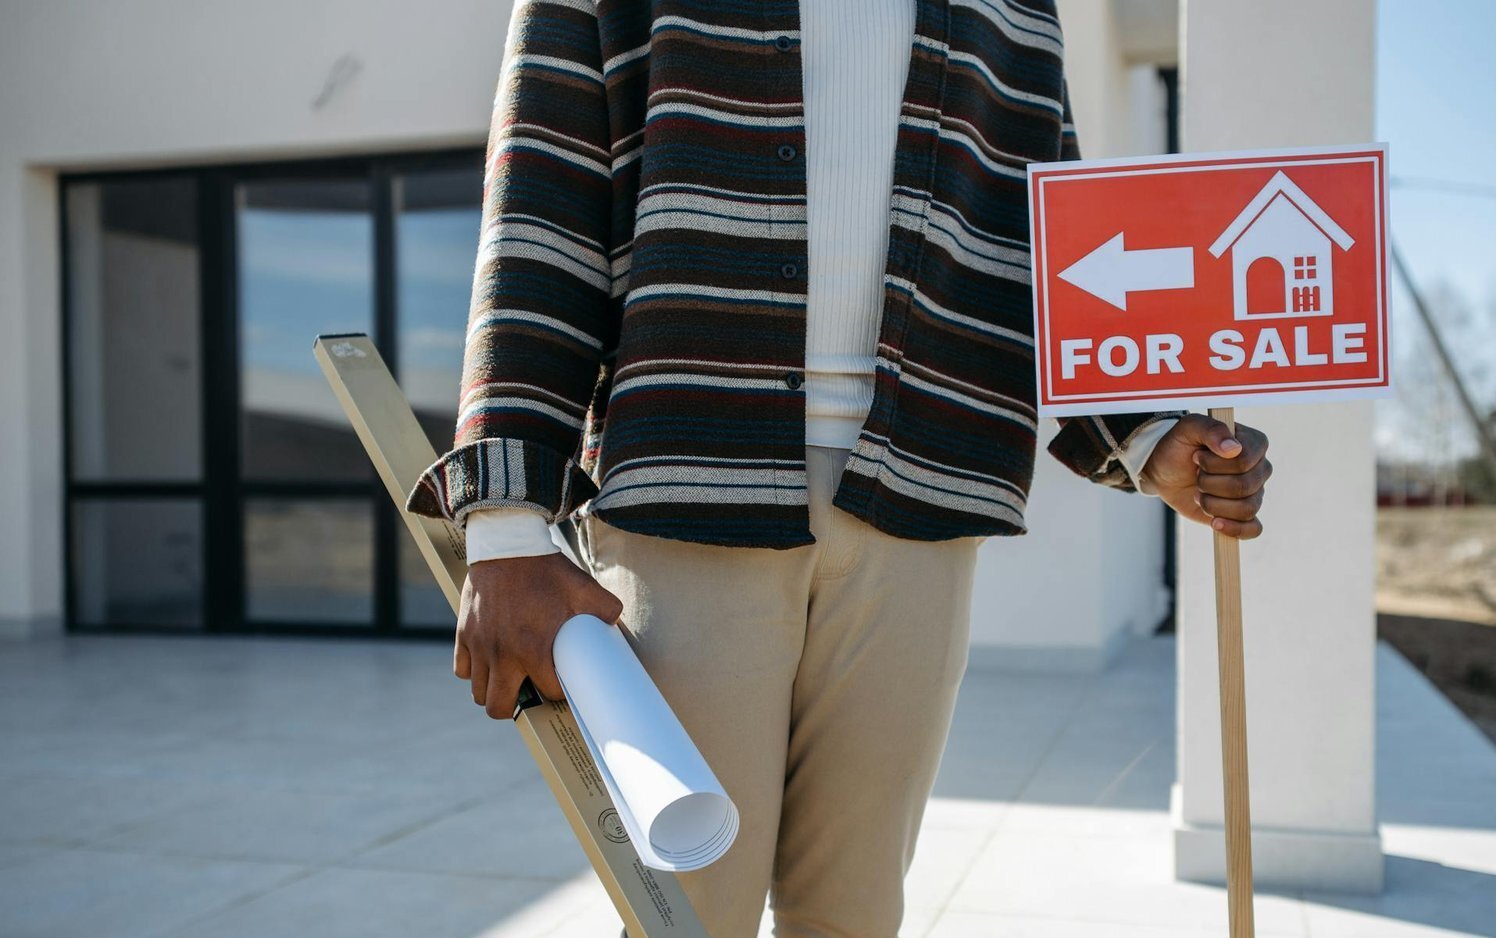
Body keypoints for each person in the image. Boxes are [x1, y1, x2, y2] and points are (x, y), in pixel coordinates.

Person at [407, 2, 1270, 935]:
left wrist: (1146, 432)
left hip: (921, 493)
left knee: (857, 914)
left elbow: (1048, 230)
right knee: (685, 912)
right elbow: (544, 203)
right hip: (690, 486)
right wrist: (503, 524)